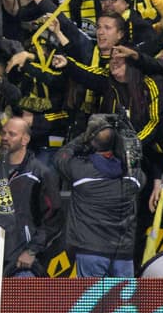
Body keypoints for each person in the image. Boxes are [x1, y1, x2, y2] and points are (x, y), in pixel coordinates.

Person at [55, 114, 146, 278]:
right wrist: (124, 135)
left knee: (93, 303)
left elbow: (62, 156)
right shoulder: (132, 177)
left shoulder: (81, 171)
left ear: (91, 141)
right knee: (122, 303)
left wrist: (86, 135)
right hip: (122, 253)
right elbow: (136, 162)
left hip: (91, 251)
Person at [0, 115, 61, 278]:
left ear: (25, 139)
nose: (5, 138)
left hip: (23, 265)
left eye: (12, 134)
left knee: (21, 304)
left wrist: (32, 250)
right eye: (4, 133)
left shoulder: (40, 173)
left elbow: (54, 217)